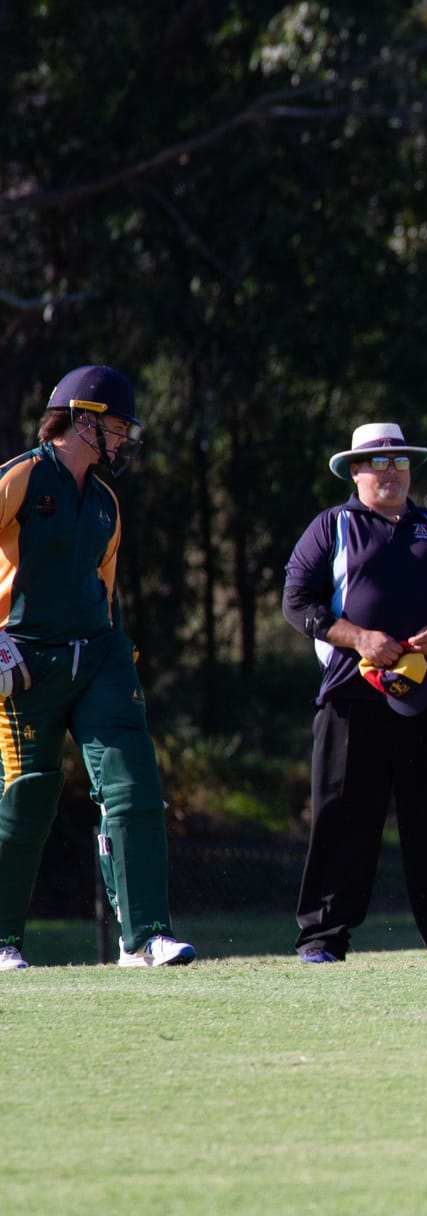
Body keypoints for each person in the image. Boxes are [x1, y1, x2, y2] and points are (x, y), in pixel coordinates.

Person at [281, 422, 427, 961]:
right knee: (342, 818)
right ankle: (322, 939)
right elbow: (296, 602)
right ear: (354, 470)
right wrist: (360, 638)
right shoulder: (331, 526)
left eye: (399, 462)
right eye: (378, 462)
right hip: (350, 696)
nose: (390, 471)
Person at [0, 365, 194, 970]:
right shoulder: (23, 476)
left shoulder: (107, 503)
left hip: (99, 652)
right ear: (84, 420)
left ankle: (143, 938)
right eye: (116, 426)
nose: (123, 439)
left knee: (133, 787)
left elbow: (104, 590)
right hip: (25, 659)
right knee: (27, 797)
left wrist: (116, 653)